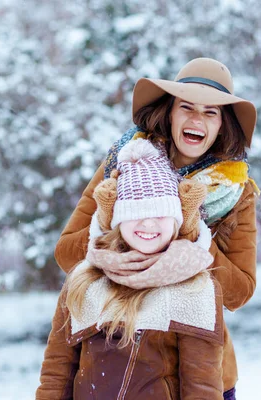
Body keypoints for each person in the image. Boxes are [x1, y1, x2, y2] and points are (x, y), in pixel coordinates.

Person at [54, 57, 258, 398]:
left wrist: (193, 245)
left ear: (223, 124)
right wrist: (111, 244)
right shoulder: (123, 164)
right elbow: (66, 253)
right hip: (116, 364)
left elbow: (240, 292)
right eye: (187, 107)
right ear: (170, 112)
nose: (197, 119)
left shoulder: (237, 190)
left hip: (201, 372)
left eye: (211, 112)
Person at [37, 139, 225, 399]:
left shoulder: (195, 289)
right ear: (118, 219)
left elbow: (202, 386)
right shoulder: (84, 281)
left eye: (160, 214)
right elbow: (56, 374)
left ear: (176, 221)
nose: (148, 223)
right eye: (136, 212)